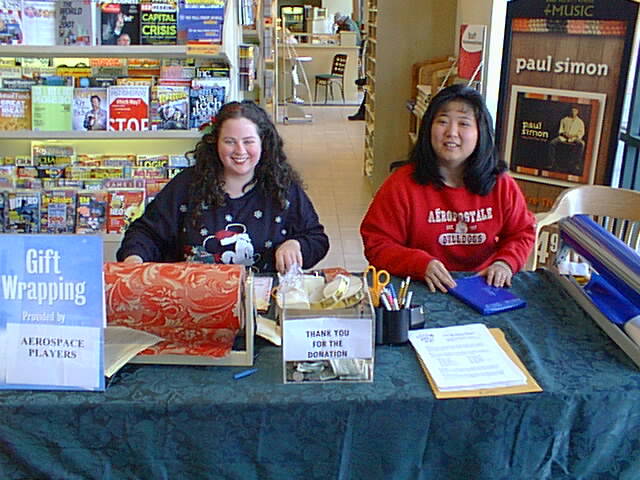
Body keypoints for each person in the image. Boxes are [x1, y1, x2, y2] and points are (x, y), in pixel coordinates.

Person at [117, 100, 330, 274]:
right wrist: (135, 258)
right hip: (194, 304)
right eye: (229, 141)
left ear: (264, 143)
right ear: (215, 142)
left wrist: (296, 245)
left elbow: (317, 239)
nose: (240, 150)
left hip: (263, 305)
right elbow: (146, 233)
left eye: (248, 141)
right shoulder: (186, 185)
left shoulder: (283, 188)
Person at [360, 84, 535, 292]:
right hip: (422, 286)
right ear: (428, 129)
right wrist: (419, 264)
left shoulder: (501, 184)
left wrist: (505, 262)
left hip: (484, 285)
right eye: (442, 122)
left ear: (481, 132)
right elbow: (376, 243)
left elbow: (523, 232)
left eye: (464, 123)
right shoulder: (402, 184)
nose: (451, 133)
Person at [547, 106, 585, 175]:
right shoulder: (564, 120)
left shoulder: (580, 122)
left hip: (574, 138)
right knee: (552, 143)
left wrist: (574, 136)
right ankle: (552, 162)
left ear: (577, 112)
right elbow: (560, 130)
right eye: (572, 111)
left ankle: (577, 164)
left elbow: (581, 132)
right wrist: (565, 134)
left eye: (575, 111)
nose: (573, 112)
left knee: (582, 144)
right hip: (563, 137)